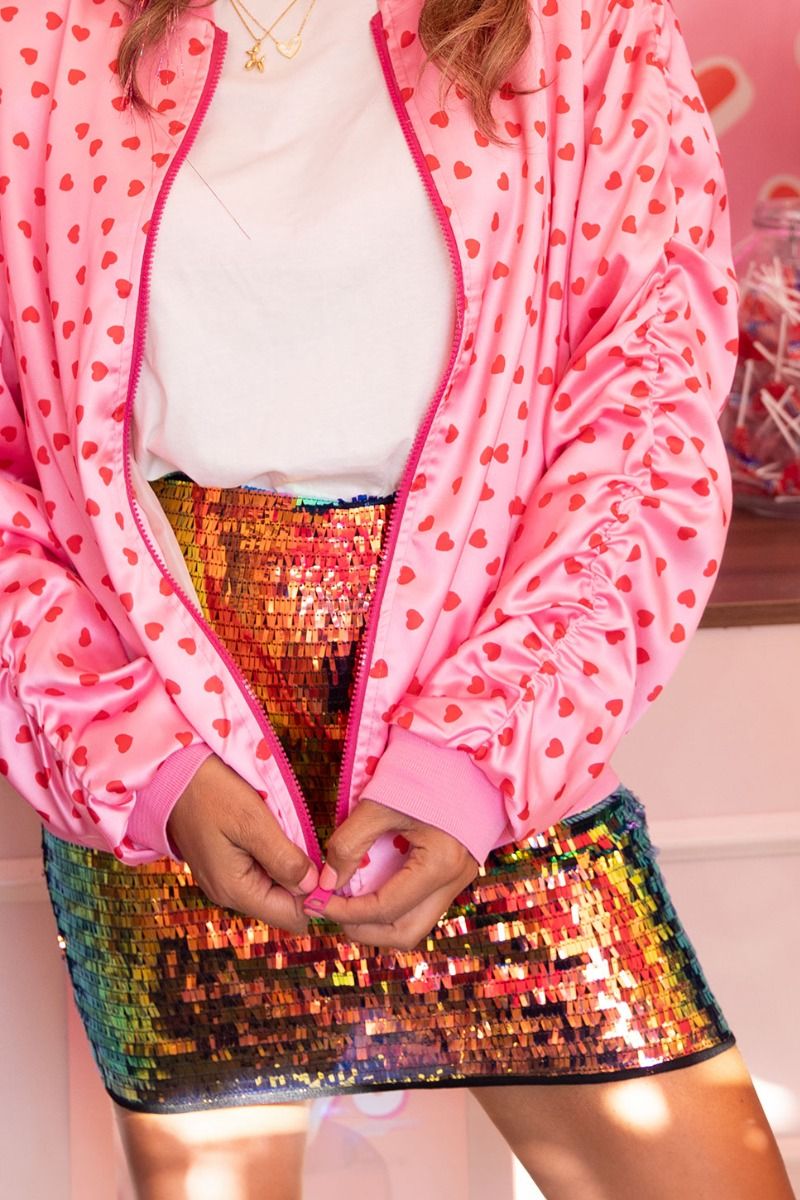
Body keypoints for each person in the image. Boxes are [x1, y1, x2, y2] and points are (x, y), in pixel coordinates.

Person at [0, 0, 794, 1197]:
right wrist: (141, 765)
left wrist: (476, 760)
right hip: (169, 758)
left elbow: (641, 409)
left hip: (496, 727)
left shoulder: (582, 24)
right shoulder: (34, 32)